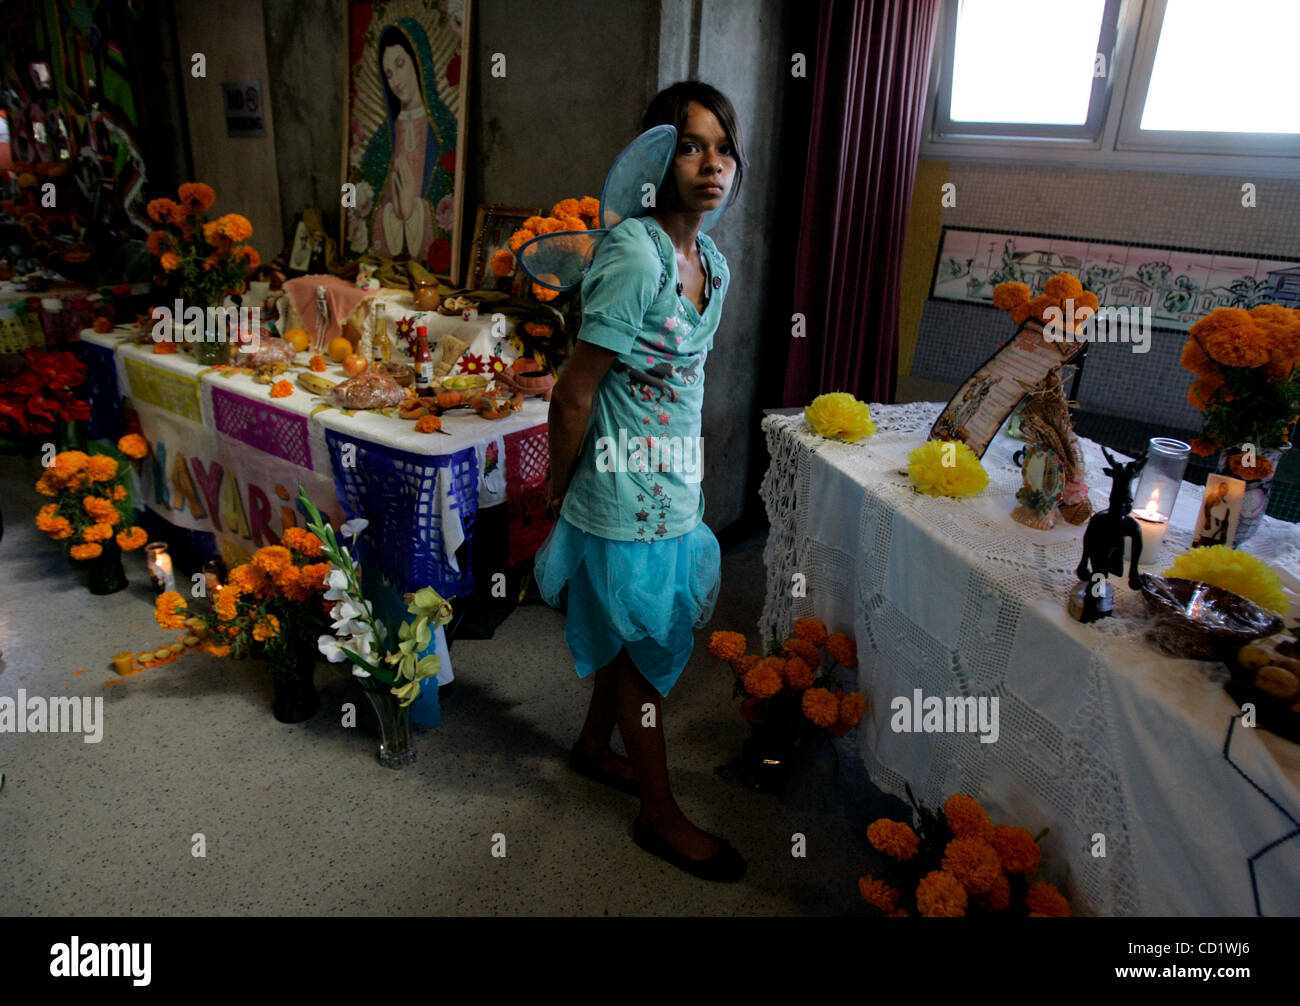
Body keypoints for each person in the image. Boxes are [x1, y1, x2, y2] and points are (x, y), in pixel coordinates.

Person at [532, 81, 746, 882]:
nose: (712, 163)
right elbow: (575, 390)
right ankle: (658, 815)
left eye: (724, 147)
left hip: (673, 487)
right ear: (655, 158)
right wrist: (558, 487)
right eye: (690, 146)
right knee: (645, 648)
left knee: (632, 638)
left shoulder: (711, 262)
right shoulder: (634, 253)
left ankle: (593, 746)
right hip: (622, 497)